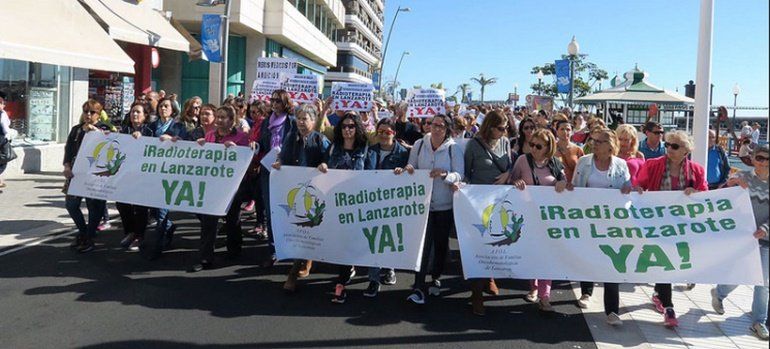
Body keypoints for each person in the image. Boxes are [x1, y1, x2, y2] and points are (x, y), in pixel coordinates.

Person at [635, 130, 708, 328]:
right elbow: (638, 184)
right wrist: (639, 189)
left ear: (686, 150)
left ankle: (659, 293)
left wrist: (696, 193)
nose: (669, 149)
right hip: (658, 224)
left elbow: (705, 196)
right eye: (667, 145)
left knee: (673, 261)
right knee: (665, 262)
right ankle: (669, 307)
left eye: (674, 146)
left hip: (683, 226)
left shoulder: (697, 171)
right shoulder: (653, 165)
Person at [396, 114, 464, 306]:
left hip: (444, 206)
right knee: (422, 246)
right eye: (433, 125)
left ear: (447, 130)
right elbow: (413, 165)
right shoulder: (419, 145)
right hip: (422, 206)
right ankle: (418, 285)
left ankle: (435, 276)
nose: (436, 129)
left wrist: (445, 175)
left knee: (441, 245)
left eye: (441, 126)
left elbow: (460, 174)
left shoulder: (454, 149)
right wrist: (408, 169)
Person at [570, 127, 632, 326]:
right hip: (587, 219)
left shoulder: (621, 165)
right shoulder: (584, 162)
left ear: (610, 146)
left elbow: (627, 187)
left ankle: (612, 310)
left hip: (611, 222)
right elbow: (576, 187)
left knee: (610, 262)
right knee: (588, 255)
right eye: (594, 140)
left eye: (600, 141)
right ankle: (586, 292)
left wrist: (628, 188)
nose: (595, 143)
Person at [317, 113, 376, 303]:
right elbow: (325, 164)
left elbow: (372, 175)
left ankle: (348, 276)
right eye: (344, 126)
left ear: (357, 128)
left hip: (358, 203)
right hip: (337, 202)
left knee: (355, 241)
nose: (347, 130)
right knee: (342, 241)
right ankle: (342, 280)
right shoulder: (334, 148)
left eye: (351, 126)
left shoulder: (366, 150)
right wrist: (324, 166)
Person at [711, 144, 769, 341]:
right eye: (760, 158)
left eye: (768, 159)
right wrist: (732, 184)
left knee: (763, 282)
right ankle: (719, 293)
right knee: (742, 275)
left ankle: (759, 321)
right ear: (753, 159)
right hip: (743, 236)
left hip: (765, 239)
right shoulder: (743, 175)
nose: (765, 163)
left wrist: (766, 229)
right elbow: (719, 196)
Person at [509, 128, 568, 313]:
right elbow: (510, 180)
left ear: (548, 147)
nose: (533, 148)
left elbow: (565, 182)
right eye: (531, 144)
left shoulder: (555, 164)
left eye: (538, 146)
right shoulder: (522, 160)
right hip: (526, 216)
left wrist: (562, 183)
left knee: (547, 255)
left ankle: (545, 296)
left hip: (547, 219)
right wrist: (516, 183)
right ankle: (533, 286)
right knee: (532, 253)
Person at [275, 104, 330, 292]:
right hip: (295, 189)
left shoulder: (321, 140)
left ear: (313, 121)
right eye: (298, 118)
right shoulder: (291, 137)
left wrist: (324, 164)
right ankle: (304, 261)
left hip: (315, 191)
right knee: (298, 225)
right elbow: (283, 157)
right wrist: (279, 163)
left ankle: (294, 271)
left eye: (305, 118)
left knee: (308, 225)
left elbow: (330, 159)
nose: (301, 122)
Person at [190, 106, 251, 272]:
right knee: (209, 221)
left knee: (232, 219)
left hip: (232, 186)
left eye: (223, 117)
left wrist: (236, 150)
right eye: (218, 117)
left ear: (232, 120)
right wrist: (201, 146)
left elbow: (245, 161)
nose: (219, 120)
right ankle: (205, 257)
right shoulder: (210, 135)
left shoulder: (242, 137)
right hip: (212, 185)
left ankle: (234, 249)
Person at [462, 111, 512, 315]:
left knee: (495, 241)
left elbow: (511, 166)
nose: (504, 131)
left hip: (499, 200)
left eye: (506, 128)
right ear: (490, 126)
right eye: (501, 128)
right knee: (478, 245)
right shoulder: (473, 145)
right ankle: (476, 294)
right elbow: (466, 172)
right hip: (478, 201)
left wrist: (508, 174)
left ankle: (489, 277)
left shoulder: (505, 143)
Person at [363, 118, 409, 297]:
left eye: (387, 132)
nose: (383, 135)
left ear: (394, 133)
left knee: (390, 237)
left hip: (393, 204)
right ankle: (373, 279)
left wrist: (403, 171)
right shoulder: (370, 151)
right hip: (373, 202)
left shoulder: (403, 153)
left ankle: (390, 268)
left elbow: (410, 173)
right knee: (374, 240)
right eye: (380, 132)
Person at [63, 100, 111, 253]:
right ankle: (83, 232)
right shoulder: (77, 130)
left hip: (96, 175)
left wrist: (95, 131)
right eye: (85, 112)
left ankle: (89, 237)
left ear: (99, 114)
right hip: (77, 173)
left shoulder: (105, 128)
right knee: (71, 204)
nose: (88, 115)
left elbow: (112, 143)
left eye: (92, 112)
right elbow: (69, 149)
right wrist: (66, 166)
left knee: (94, 206)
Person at [143, 96, 188, 260]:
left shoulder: (178, 126)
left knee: (161, 210)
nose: (163, 109)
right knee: (154, 209)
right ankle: (169, 227)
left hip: (170, 171)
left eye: (166, 106)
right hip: (153, 170)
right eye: (161, 106)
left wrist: (175, 140)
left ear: (173, 109)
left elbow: (185, 144)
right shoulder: (151, 126)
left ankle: (158, 247)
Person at [256, 90, 296, 268]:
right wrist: (255, 146)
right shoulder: (267, 122)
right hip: (268, 169)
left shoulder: (292, 122)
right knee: (271, 210)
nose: (274, 103)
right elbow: (262, 144)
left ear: (285, 102)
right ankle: (273, 250)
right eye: (272, 100)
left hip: (287, 170)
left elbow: (297, 143)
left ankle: (292, 248)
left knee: (289, 209)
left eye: (278, 101)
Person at [115, 102, 154, 251]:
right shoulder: (123, 130)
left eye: (138, 112)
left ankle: (139, 236)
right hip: (125, 173)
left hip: (143, 174)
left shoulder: (150, 131)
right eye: (132, 112)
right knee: (122, 203)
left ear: (145, 116)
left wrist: (142, 137)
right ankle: (130, 232)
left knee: (140, 207)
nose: (134, 114)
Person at [554, 119, 584, 183]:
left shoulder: (578, 150)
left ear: (572, 132)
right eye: (562, 129)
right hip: (555, 187)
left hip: (573, 188)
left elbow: (583, 171)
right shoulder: (551, 148)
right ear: (556, 131)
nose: (565, 132)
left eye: (568, 129)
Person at [0, 95, 11, 188]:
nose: (4, 105)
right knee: (3, 159)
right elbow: (5, 129)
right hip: (1, 139)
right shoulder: (2, 114)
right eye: (3, 104)